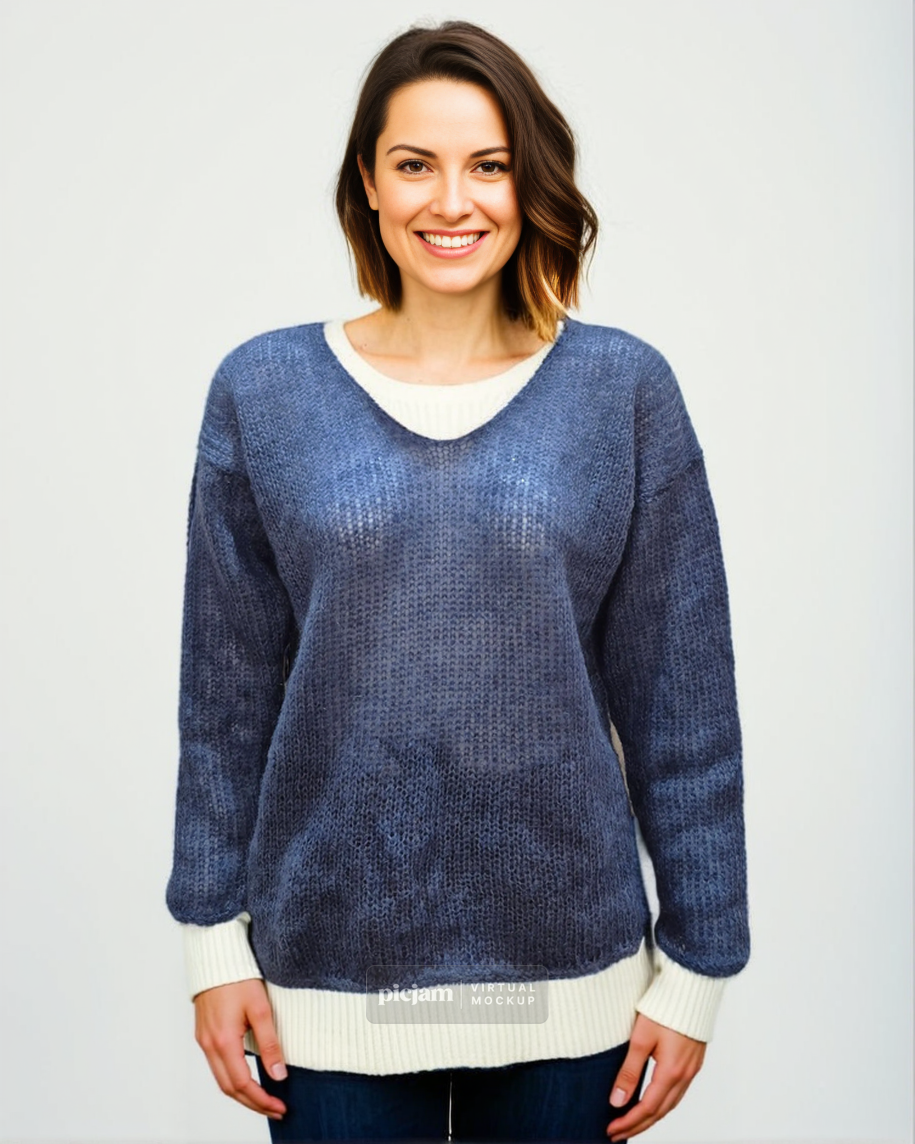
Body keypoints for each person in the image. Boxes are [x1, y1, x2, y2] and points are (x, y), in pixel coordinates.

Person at [165, 19, 751, 1144]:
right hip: (324, 993)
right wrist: (210, 944)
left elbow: (683, 709)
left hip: (572, 994)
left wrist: (697, 971)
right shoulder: (264, 390)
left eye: (489, 165)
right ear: (367, 183)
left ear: (532, 184)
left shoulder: (623, 392)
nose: (452, 201)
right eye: (414, 164)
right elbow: (223, 702)